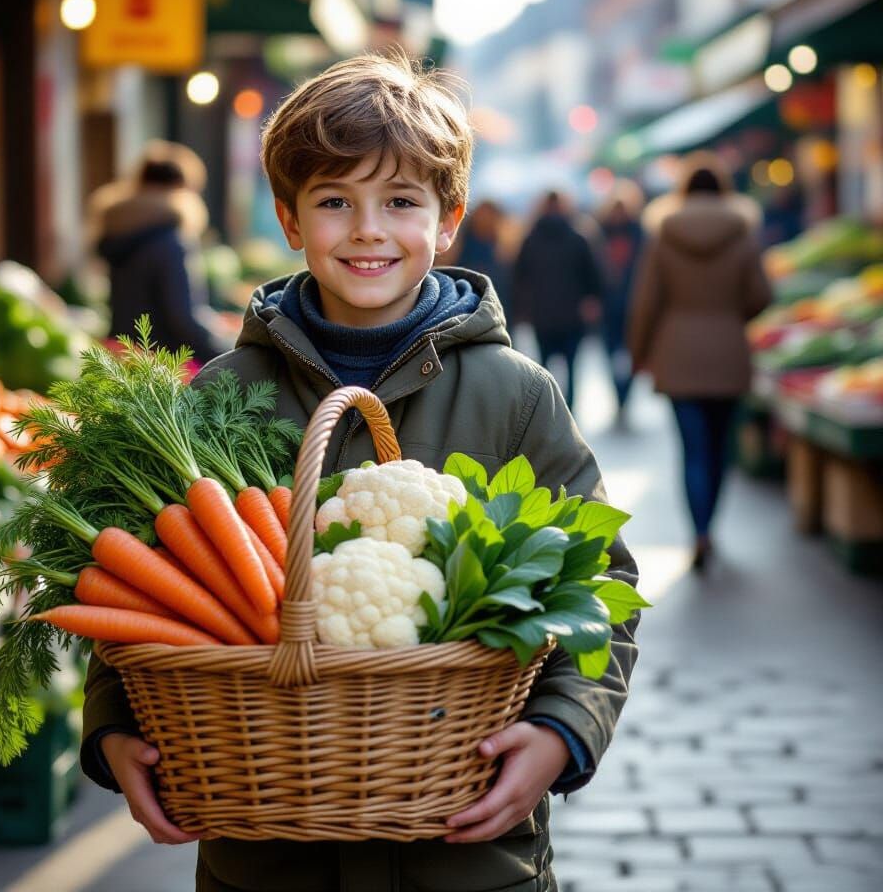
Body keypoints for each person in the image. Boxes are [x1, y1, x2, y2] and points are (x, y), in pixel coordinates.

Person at [81, 50, 639, 892]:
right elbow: (136, 589)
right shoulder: (222, 395)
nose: (369, 228)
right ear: (290, 219)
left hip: (469, 855)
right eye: (335, 201)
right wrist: (115, 728)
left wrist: (564, 727)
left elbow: (601, 582)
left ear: (448, 220)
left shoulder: (515, 394)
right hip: (264, 852)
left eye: (401, 201)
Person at [629, 152, 771, 571]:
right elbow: (761, 294)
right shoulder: (743, 232)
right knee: (720, 447)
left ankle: (699, 532)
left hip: (679, 356)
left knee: (692, 450)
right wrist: (731, 315)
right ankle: (712, 526)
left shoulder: (663, 234)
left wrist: (639, 355)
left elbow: (646, 303)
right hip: (729, 353)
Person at [88, 140, 223, 363]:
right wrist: (227, 354)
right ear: (183, 190)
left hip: (127, 361)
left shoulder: (121, 231)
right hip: (168, 370)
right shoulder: (170, 241)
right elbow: (182, 318)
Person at [512, 190, 603, 411]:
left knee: (543, 368)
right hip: (572, 315)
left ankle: (548, 413)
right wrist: (592, 301)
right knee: (572, 368)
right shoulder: (579, 237)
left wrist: (522, 310)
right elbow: (593, 276)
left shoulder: (530, 240)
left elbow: (519, 278)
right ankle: (569, 412)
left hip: (542, 315)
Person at [596, 180, 646, 425]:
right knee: (609, 354)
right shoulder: (599, 232)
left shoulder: (640, 233)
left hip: (633, 305)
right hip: (607, 306)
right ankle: (618, 397)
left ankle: (626, 398)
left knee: (631, 354)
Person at [451, 198, 515, 320]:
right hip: (469, 311)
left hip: (501, 310)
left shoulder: (504, 248)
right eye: (482, 215)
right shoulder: (463, 245)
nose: (485, 219)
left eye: (489, 215)